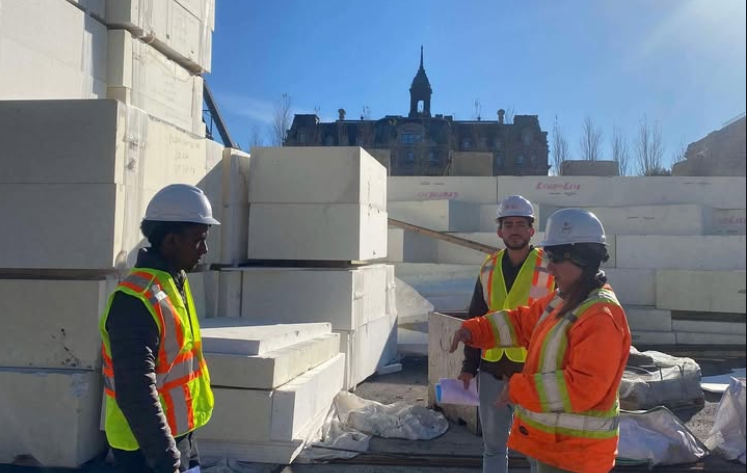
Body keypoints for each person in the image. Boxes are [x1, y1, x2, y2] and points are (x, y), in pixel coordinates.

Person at [450, 208, 631, 473]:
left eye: (554, 258)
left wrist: (519, 388)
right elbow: (522, 322)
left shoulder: (600, 316)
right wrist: (475, 331)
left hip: (575, 456)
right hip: (555, 446)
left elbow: (584, 386)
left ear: (581, 259)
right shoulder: (565, 300)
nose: (548, 266)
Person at [99, 184, 220, 473]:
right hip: (145, 449)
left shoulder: (173, 282)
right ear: (171, 240)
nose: (204, 250)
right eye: (198, 240)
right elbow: (136, 391)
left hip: (177, 437)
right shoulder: (136, 300)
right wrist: (166, 458)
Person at [460, 195, 555, 473]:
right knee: (493, 447)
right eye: (508, 224)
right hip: (492, 368)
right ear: (499, 231)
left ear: (531, 230)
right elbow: (476, 317)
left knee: (536, 448)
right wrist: (469, 366)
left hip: (532, 370)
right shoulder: (489, 267)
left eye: (521, 224)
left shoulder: (549, 266)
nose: (514, 230)